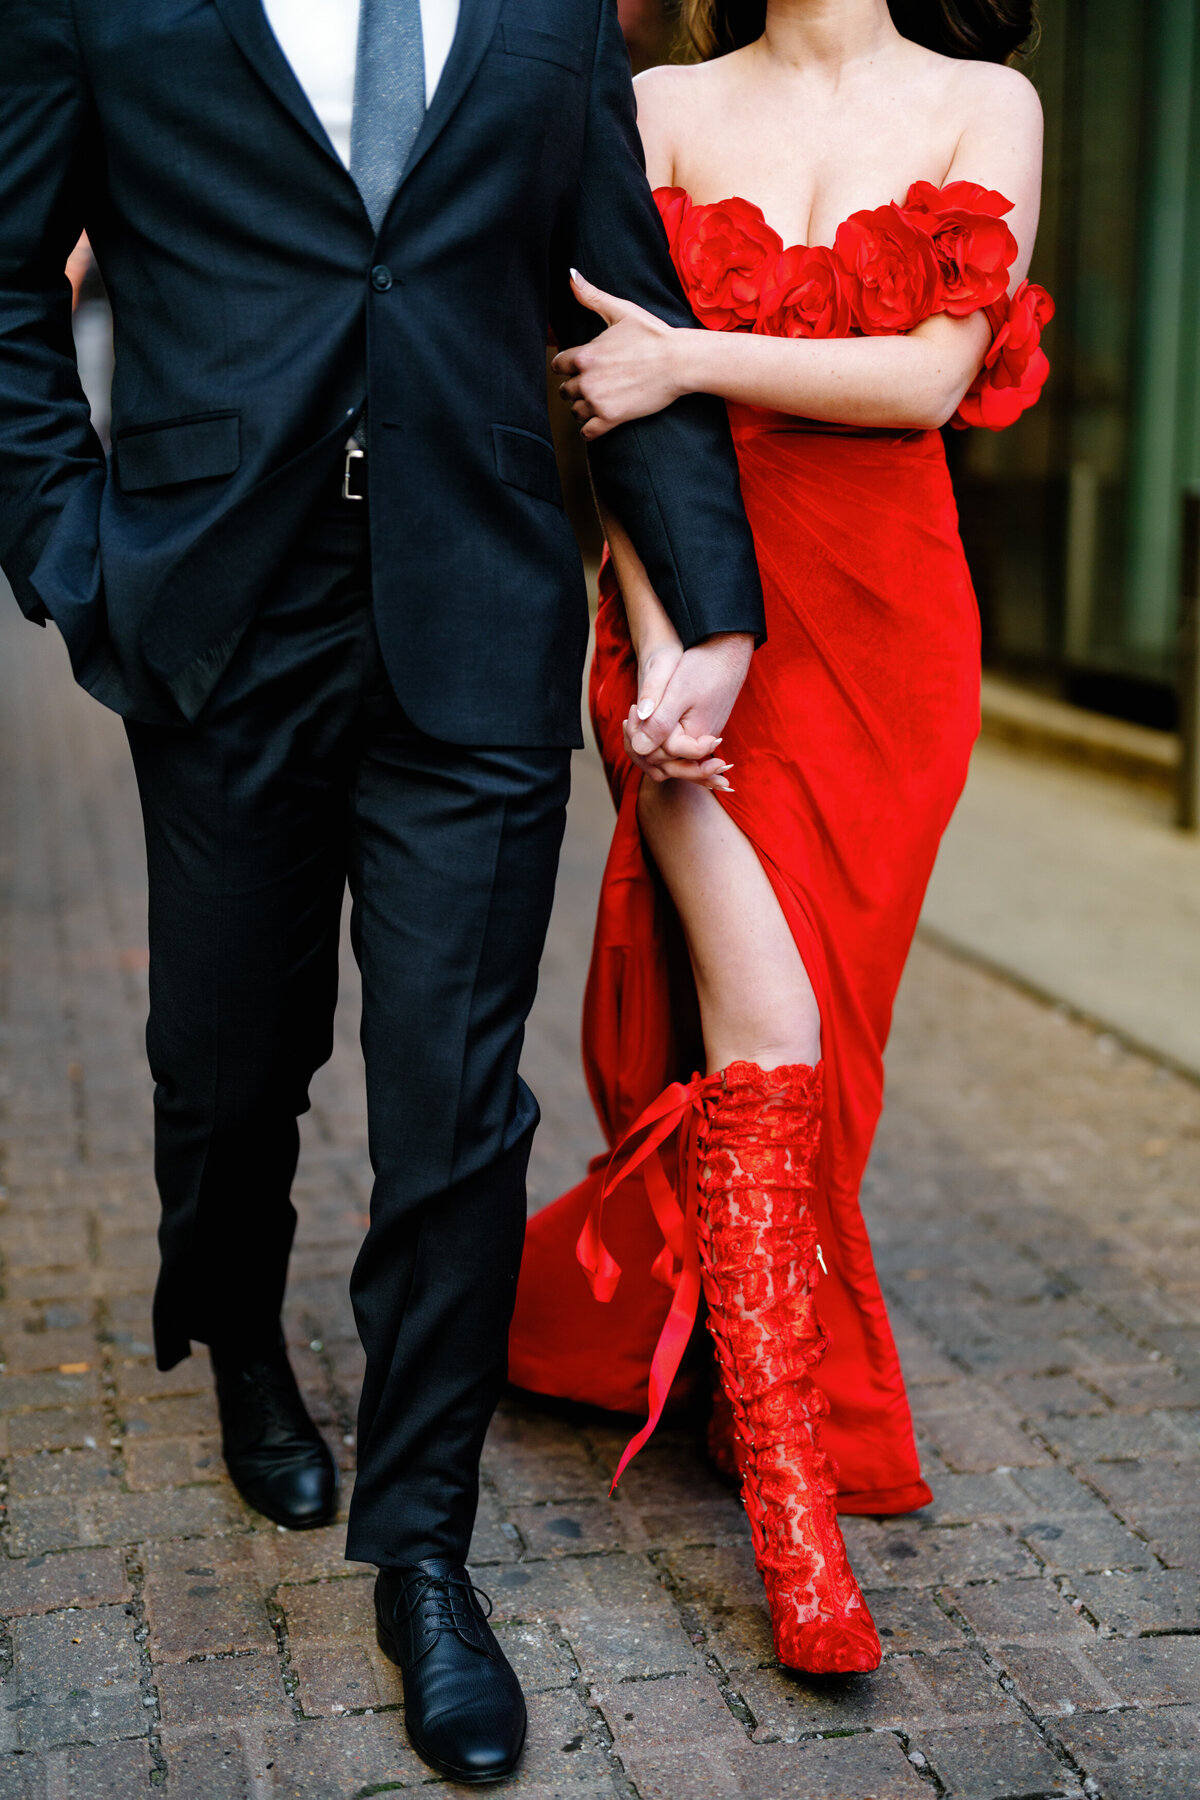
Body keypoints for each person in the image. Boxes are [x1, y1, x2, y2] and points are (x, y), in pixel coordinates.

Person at [0, 0, 765, 1781]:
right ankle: (244, 1337)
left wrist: (706, 600)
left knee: (451, 1105)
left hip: (478, 610)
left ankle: (424, 1547)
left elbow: (615, 295)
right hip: (213, 606)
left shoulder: (551, 13)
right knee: (227, 1055)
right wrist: (70, 546)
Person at [509, 0, 1050, 1677]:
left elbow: (932, 378)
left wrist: (694, 353)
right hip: (693, 615)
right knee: (769, 1033)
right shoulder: (649, 98)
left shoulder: (989, 104)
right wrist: (660, 632)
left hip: (895, 633)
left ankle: (686, 1341)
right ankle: (797, 1533)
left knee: (834, 1055)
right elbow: (602, 398)